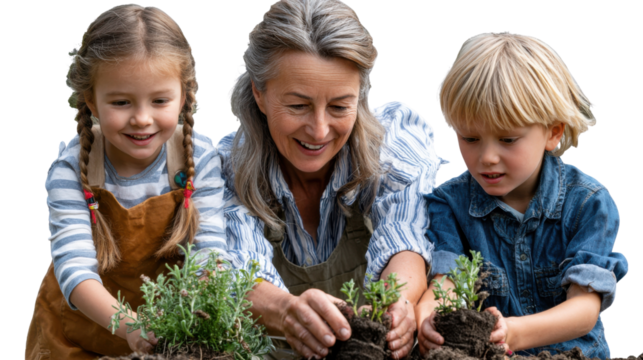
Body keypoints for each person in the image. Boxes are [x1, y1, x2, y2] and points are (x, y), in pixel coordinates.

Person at [219, 0, 449, 359]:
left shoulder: (394, 145)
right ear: (259, 95)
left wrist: (398, 301)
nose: (320, 130)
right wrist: (285, 311)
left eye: (340, 106)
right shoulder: (226, 169)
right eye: (298, 106)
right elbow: (234, 269)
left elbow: (405, 233)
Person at [26, 4, 227, 359]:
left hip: (166, 333)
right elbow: (74, 269)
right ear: (92, 101)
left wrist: (190, 324)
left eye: (160, 100)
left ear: (183, 96)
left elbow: (210, 256)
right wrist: (130, 326)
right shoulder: (72, 170)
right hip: (78, 336)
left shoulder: (200, 159)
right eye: (121, 102)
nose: (141, 119)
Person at [416, 30, 629, 359]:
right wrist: (428, 318)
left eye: (507, 139)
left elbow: (584, 309)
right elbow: (448, 283)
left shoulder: (587, 202)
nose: (486, 157)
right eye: (470, 138)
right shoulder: (448, 203)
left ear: (552, 132)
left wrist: (514, 332)